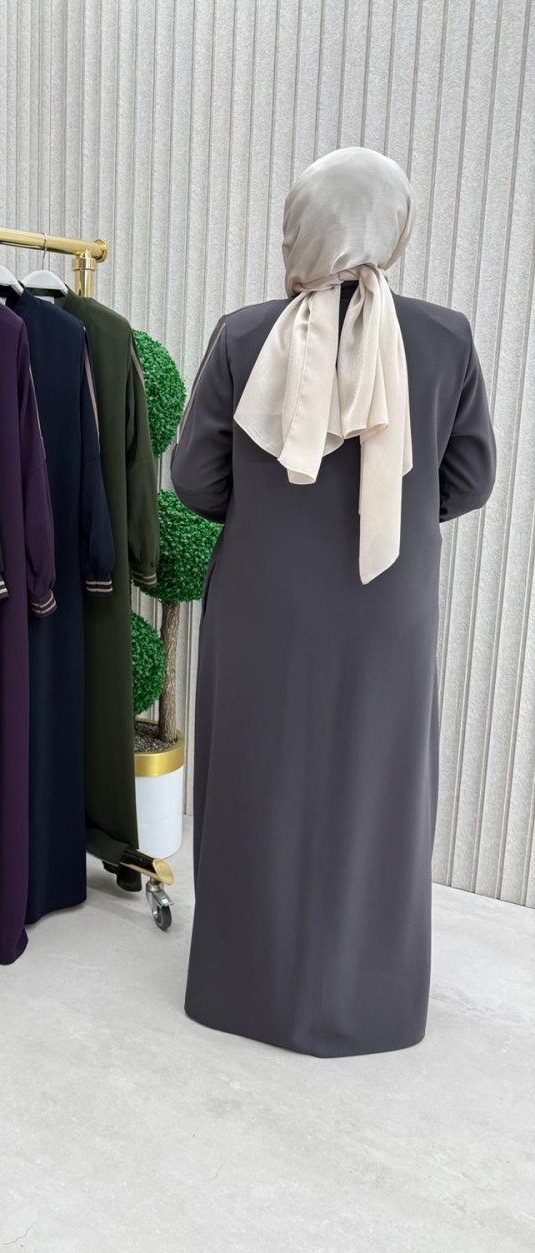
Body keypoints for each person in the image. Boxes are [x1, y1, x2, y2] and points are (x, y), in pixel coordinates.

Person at [171, 147, 497, 1057]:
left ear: (299, 226)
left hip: (262, 608)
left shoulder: (244, 335)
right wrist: (395, 502)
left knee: (259, 781)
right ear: (395, 226)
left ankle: (245, 988)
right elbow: (471, 477)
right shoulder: (445, 339)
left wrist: (275, 508)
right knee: (375, 790)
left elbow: (194, 479)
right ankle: (369, 1000)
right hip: (385, 609)